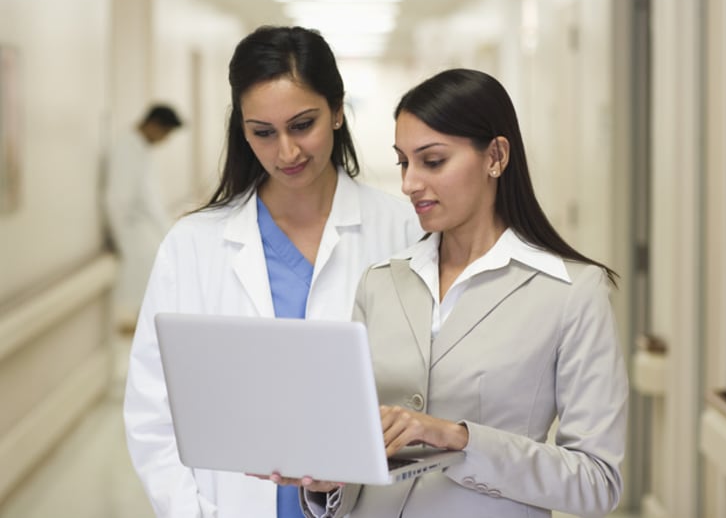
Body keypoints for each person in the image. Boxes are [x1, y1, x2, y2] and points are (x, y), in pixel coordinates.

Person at [297, 68, 629, 518]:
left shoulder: (572, 293)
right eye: (403, 162)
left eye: (432, 162)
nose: (410, 183)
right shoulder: (380, 281)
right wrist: (327, 483)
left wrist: (459, 438)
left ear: (495, 155)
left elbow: (597, 483)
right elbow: (359, 445)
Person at [123, 25, 421, 518]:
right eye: (263, 132)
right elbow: (152, 411)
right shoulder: (193, 245)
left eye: (303, 124)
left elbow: (431, 396)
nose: (287, 152)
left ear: (338, 110)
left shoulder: (406, 232)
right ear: (242, 129)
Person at [103, 104, 183, 332]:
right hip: (132, 234)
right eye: (165, 133)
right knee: (140, 294)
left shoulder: (140, 149)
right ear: (154, 125)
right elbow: (117, 198)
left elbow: (150, 199)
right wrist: (121, 239)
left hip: (144, 232)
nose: (165, 140)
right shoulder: (127, 148)